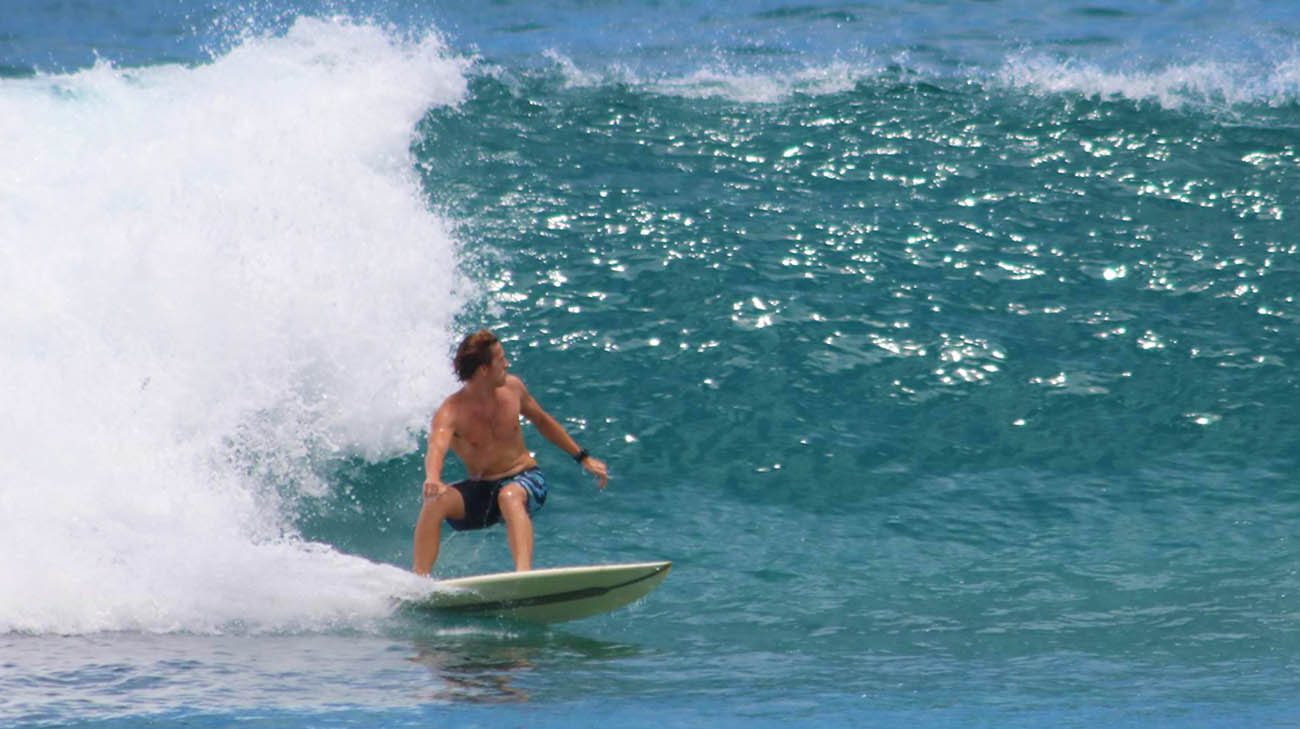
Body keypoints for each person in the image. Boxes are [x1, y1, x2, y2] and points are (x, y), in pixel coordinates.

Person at [412, 329, 608, 575]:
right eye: (501, 359)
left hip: (526, 479)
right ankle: (418, 580)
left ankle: (523, 575)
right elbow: (436, 447)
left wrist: (583, 457)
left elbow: (543, 421)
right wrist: (432, 477)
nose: (507, 363)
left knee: (510, 496)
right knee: (435, 502)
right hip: (483, 490)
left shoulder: (513, 389)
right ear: (483, 369)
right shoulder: (451, 411)